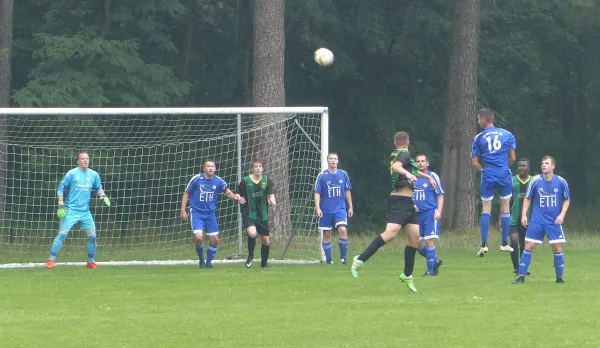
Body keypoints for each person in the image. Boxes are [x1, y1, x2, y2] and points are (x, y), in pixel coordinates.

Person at [350, 131, 438, 293]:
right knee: (390, 234)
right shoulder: (403, 154)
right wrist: (408, 175)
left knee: (415, 239)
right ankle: (359, 260)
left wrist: (426, 177)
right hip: (399, 202)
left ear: (394, 143)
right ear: (408, 142)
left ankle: (407, 275)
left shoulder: (400, 154)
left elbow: (410, 169)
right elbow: (397, 167)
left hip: (409, 203)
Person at [45, 152, 111, 269]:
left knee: (92, 237)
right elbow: (60, 189)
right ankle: (50, 260)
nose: (86, 160)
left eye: (87, 158)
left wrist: (103, 196)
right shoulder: (72, 174)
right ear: (78, 161)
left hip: (85, 212)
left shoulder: (94, 175)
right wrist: (61, 204)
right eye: (83, 158)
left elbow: (98, 188)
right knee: (62, 234)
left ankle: (90, 261)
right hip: (70, 210)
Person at [512, 156, 570, 284]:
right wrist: (524, 215)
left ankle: (559, 278)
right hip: (537, 220)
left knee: (557, 247)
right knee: (529, 245)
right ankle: (521, 277)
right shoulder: (535, 180)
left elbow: (566, 199)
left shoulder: (561, 182)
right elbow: (527, 198)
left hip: (553, 221)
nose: (544, 165)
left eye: (547, 163)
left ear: (553, 166)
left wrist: (562, 215)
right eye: (542, 163)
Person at [180, 160, 245, 268]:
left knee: (215, 239)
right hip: (197, 212)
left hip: (210, 214)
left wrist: (235, 197)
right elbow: (187, 193)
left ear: (215, 168)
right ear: (204, 168)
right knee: (199, 237)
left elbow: (228, 192)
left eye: (212, 166)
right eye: (208, 166)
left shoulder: (219, 181)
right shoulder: (196, 179)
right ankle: (201, 261)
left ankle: (209, 263)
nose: (210, 168)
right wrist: (183, 209)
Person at [471, 108, 516, 257]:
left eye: (479, 119)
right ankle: (504, 243)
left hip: (488, 173)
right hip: (503, 173)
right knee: (505, 207)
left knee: (486, 208)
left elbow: (475, 162)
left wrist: (484, 171)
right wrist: (503, 167)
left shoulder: (478, 137)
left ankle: (484, 245)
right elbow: (512, 158)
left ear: (484, 120)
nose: (478, 121)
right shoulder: (507, 134)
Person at [314, 152, 354, 265]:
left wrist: (350, 206)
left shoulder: (343, 174)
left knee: (342, 229)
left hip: (340, 208)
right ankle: (329, 259)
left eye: (335, 158)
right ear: (327, 161)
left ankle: (343, 258)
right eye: (331, 158)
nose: (333, 160)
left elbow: (347, 191)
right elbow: (317, 193)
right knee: (327, 234)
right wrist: (318, 208)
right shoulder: (322, 176)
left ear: (338, 161)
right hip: (326, 209)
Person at [237, 159, 276, 268]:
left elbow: (271, 194)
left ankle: (264, 263)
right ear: (252, 169)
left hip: (262, 215)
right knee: (252, 233)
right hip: (249, 212)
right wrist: (239, 198)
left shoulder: (267, 180)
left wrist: (272, 200)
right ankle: (250, 255)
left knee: (266, 241)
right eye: (256, 166)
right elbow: (237, 194)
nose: (258, 168)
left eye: (260, 166)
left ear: (262, 168)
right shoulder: (245, 181)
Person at [413, 154, 444, 276]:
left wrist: (439, 211)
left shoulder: (432, 176)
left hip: (430, 213)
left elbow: (440, 194)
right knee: (415, 242)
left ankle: (430, 271)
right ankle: (434, 260)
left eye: (422, 161)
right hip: (416, 215)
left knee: (429, 240)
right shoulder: (412, 178)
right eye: (418, 161)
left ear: (427, 163)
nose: (420, 163)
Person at [508, 158, 532, 275]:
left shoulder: (533, 181)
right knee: (513, 240)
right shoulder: (512, 180)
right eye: (520, 166)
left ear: (528, 168)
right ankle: (516, 268)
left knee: (524, 243)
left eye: (524, 166)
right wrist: (501, 219)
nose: (521, 168)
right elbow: (507, 200)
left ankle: (523, 268)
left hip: (528, 218)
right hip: (513, 218)